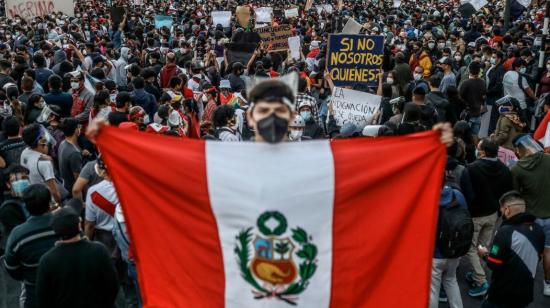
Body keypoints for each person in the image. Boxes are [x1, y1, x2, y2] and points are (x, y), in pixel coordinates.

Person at [35, 207, 119, 308]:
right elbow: (113, 285)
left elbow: (43, 299)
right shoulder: (99, 250)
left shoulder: (47, 260)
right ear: (79, 226)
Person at [478, 191, 545, 307]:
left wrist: (484, 254)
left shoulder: (505, 232)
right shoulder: (539, 231)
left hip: (500, 296)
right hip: (525, 296)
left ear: (507, 209)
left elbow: (493, 264)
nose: (501, 211)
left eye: (501, 209)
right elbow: (538, 258)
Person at [465, 138, 513, 297]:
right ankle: (477, 273)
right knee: (483, 246)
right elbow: (507, 194)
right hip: (492, 215)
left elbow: (468, 193)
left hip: (475, 215)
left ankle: (481, 280)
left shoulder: (472, 168)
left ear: (483, 152)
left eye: (479, 148)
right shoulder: (505, 170)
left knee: (470, 247)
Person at [3, 184, 57, 308]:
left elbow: (11, 267)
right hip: (65, 288)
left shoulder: (18, 234)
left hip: (34, 289)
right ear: (49, 203)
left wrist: (28, 276)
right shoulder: (62, 224)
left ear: (26, 205)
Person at [510, 134, 550, 296]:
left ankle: (526, 280)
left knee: (529, 252)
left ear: (518, 150)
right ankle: (548, 285)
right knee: (548, 252)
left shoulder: (517, 169)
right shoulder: (548, 159)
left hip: (530, 218)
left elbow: (515, 195)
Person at [430, 185, 466, 308]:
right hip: (455, 250)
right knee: (451, 280)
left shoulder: (429, 197)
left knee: (433, 288)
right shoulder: (458, 195)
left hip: (436, 253)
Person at [20, 124, 61, 203]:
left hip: (34, 199)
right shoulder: (45, 163)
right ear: (39, 141)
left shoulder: (24, 153)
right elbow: (54, 192)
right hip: (48, 203)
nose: (46, 139)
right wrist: (58, 204)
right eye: (44, 136)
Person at [0, 165, 30, 254]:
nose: (22, 183)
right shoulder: (8, 208)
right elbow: (20, 233)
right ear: (8, 184)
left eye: (24, 179)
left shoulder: (27, 198)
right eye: (17, 180)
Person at [458, 61, 486, 136]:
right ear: (479, 71)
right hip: (478, 114)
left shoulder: (466, 83)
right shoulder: (482, 82)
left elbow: (460, 97)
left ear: (469, 70)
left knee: (464, 136)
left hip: (468, 114)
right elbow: (483, 97)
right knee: (475, 136)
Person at [57, 118, 83, 197]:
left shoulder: (63, 143)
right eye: (78, 127)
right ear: (75, 130)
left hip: (66, 185)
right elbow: (79, 181)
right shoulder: (74, 153)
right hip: (74, 192)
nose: (80, 128)